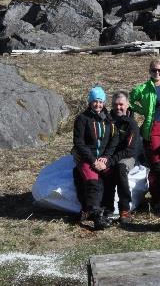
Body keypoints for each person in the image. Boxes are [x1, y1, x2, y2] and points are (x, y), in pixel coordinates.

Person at [130, 59, 160, 210]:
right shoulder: (143, 88)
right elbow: (129, 100)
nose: (157, 73)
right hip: (153, 128)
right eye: (154, 70)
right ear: (149, 71)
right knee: (156, 165)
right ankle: (156, 199)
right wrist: (142, 111)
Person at [72, 86, 118, 230]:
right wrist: (93, 160)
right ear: (90, 102)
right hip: (87, 158)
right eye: (95, 101)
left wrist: (106, 157)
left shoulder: (108, 119)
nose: (98, 105)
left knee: (110, 179)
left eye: (100, 101)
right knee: (94, 182)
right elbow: (78, 142)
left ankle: (107, 211)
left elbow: (114, 139)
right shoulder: (82, 119)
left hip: (102, 159)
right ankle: (96, 215)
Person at [101, 91, 142, 224]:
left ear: (127, 105)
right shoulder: (106, 121)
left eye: (121, 104)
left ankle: (124, 209)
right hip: (109, 155)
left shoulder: (131, 124)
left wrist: (110, 161)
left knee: (120, 168)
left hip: (127, 156)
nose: (118, 107)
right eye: (115, 105)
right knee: (106, 172)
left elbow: (129, 150)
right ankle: (107, 208)